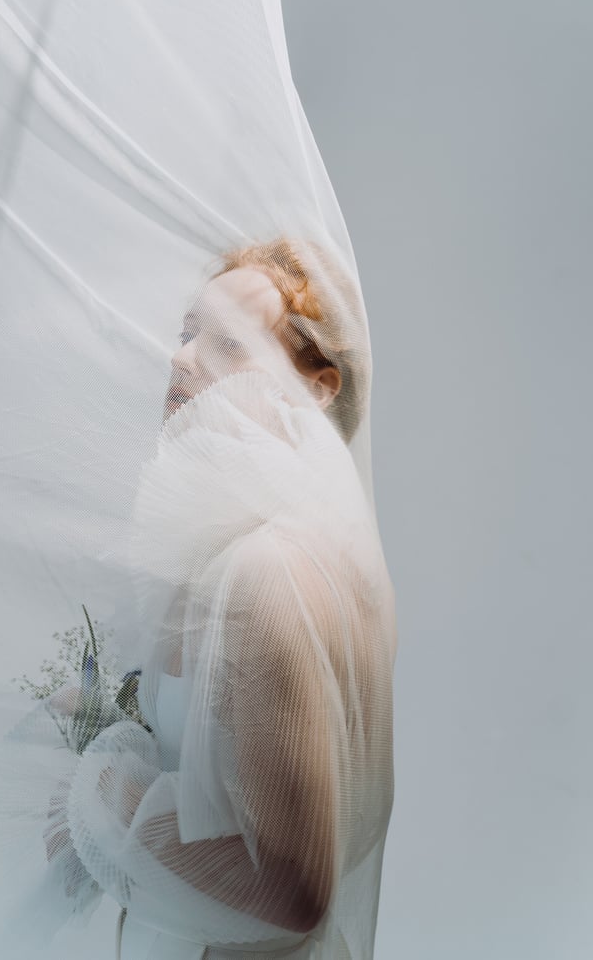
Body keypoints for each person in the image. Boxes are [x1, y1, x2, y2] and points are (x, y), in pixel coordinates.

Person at [44, 238, 397, 959]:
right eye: (185, 334)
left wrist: (99, 787)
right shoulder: (292, 553)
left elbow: (289, 887)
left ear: (318, 385)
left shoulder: (268, 570)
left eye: (227, 344)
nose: (180, 359)